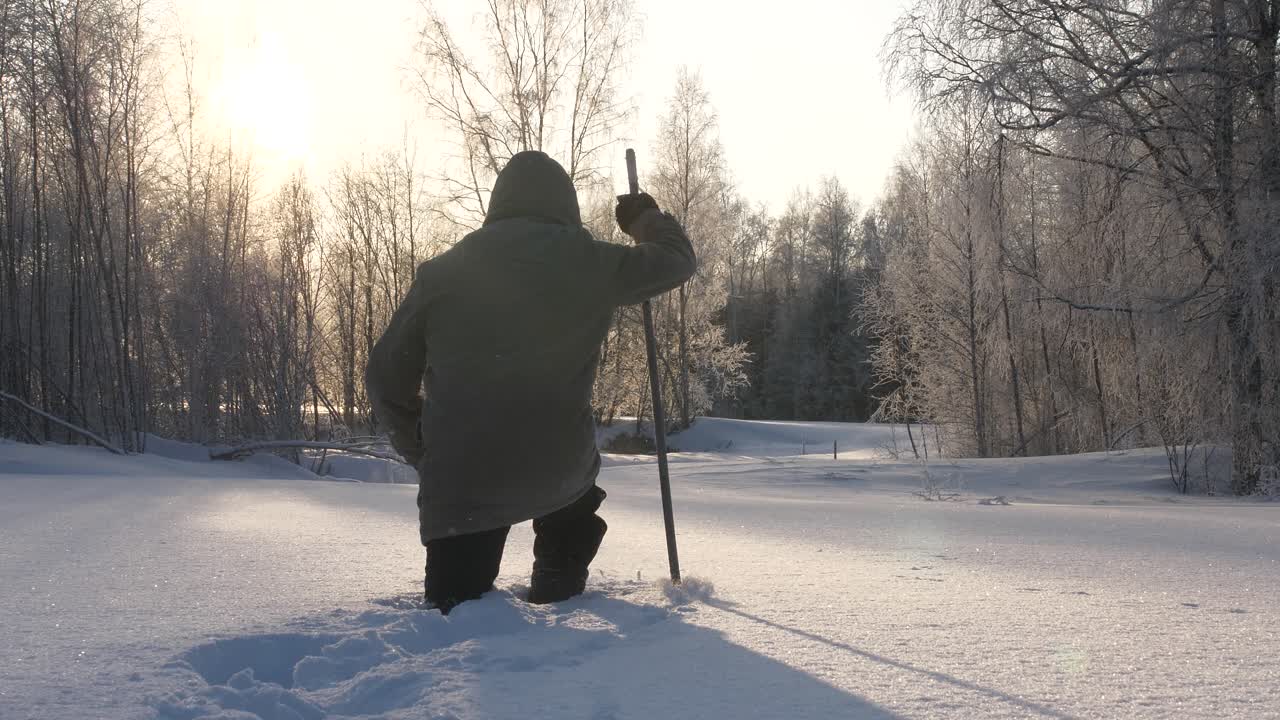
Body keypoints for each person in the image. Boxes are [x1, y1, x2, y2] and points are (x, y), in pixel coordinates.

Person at [365, 150, 696, 614]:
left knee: (454, 617)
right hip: (559, 470)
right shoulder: (589, 263)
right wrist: (645, 220)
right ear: (565, 204)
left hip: (463, 482)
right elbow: (675, 260)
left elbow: (384, 378)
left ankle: (470, 613)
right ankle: (557, 591)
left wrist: (422, 448)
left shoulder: (442, 274)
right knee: (571, 504)